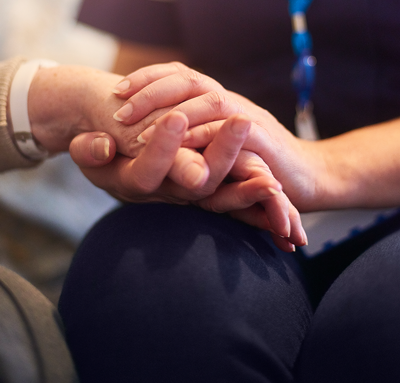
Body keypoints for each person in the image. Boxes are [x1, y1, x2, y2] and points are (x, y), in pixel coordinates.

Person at [60, 0, 400, 381]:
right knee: (147, 296)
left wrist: (323, 167)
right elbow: (139, 71)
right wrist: (151, 148)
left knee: (376, 330)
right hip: (234, 200)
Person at [1, 55, 303, 383]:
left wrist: (323, 164)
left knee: (362, 321)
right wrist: (97, 113)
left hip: (357, 200)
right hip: (226, 190)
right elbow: (138, 84)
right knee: (149, 276)